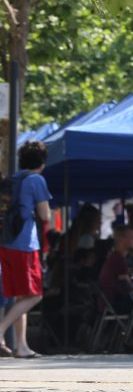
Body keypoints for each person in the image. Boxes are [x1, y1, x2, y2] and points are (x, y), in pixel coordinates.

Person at [0, 141, 51, 358]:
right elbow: (45, 215)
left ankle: (21, 346)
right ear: (42, 162)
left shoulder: (13, 179)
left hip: (6, 242)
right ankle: (0, 331)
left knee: (20, 295)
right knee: (35, 294)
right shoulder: (36, 180)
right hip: (25, 244)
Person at [98, 225, 133, 314]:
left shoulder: (115, 258)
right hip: (116, 304)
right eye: (132, 237)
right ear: (122, 239)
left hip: (110, 303)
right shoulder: (118, 259)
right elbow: (129, 289)